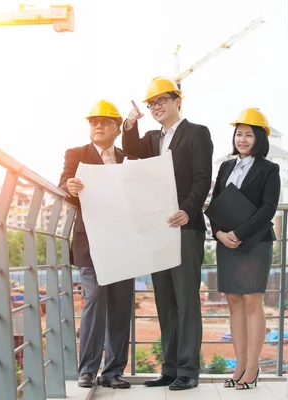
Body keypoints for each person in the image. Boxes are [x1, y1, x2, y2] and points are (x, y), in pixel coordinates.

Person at [122, 77, 213, 391]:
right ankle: (170, 367)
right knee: (164, 300)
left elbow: (203, 178)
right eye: (152, 103)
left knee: (186, 300)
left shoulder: (197, 133)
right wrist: (130, 122)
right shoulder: (150, 138)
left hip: (185, 226)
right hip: (158, 229)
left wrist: (188, 209)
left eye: (162, 100)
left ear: (178, 101)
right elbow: (130, 149)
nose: (156, 106)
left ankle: (188, 370)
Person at [58, 100, 134, 389]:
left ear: (117, 127)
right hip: (90, 243)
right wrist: (70, 187)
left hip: (124, 244)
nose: (97, 126)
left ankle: (113, 371)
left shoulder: (128, 159)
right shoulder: (76, 154)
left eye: (103, 122)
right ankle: (87, 369)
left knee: (120, 306)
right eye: (93, 122)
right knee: (95, 300)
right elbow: (64, 181)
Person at [207, 108, 281, 390]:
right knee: (234, 302)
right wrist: (219, 233)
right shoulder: (225, 166)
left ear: (260, 138)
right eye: (239, 134)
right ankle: (239, 364)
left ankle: (253, 366)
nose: (242, 139)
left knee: (253, 301)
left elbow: (268, 208)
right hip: (227, 243)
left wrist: (238, 232)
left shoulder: (269, 169)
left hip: (256, 243)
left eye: (249, 134)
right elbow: (215, 204)